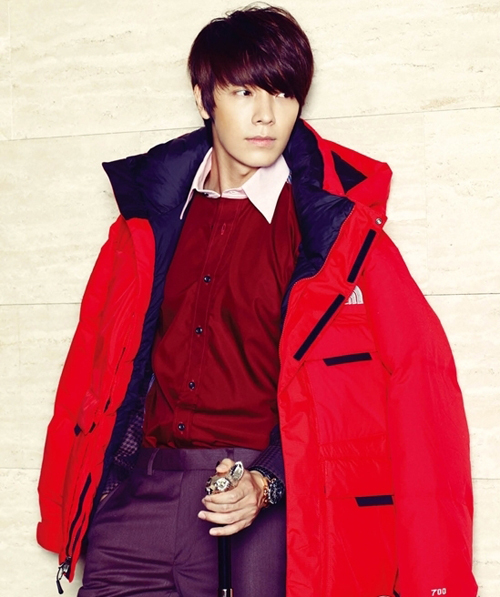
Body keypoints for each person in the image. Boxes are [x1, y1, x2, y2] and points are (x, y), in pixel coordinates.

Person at [36, 5, 478, 597]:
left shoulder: (337, 233)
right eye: (244, 92)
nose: (267, 115)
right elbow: (90, 369)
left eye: (284, 94)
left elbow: (421, 386)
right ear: (205, 99)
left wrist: (268, 481)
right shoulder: (146, 224)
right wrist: (65, 511)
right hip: (139, 498)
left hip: (267, 505)